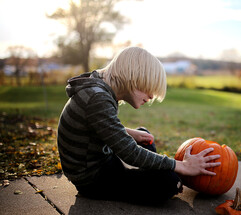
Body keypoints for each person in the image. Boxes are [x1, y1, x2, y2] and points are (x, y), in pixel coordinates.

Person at [57, 46, 221, 204]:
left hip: (102, 161)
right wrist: (181, 166)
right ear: (132, 77)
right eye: (148, 88)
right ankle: (152, 176)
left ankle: (148, 172)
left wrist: (129, 133)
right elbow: (130, 152)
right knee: (169, 183)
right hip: (93, 179)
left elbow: (96, 125)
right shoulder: (97, 98)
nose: (150, 96)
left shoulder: (97, 88)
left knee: (143, 135)